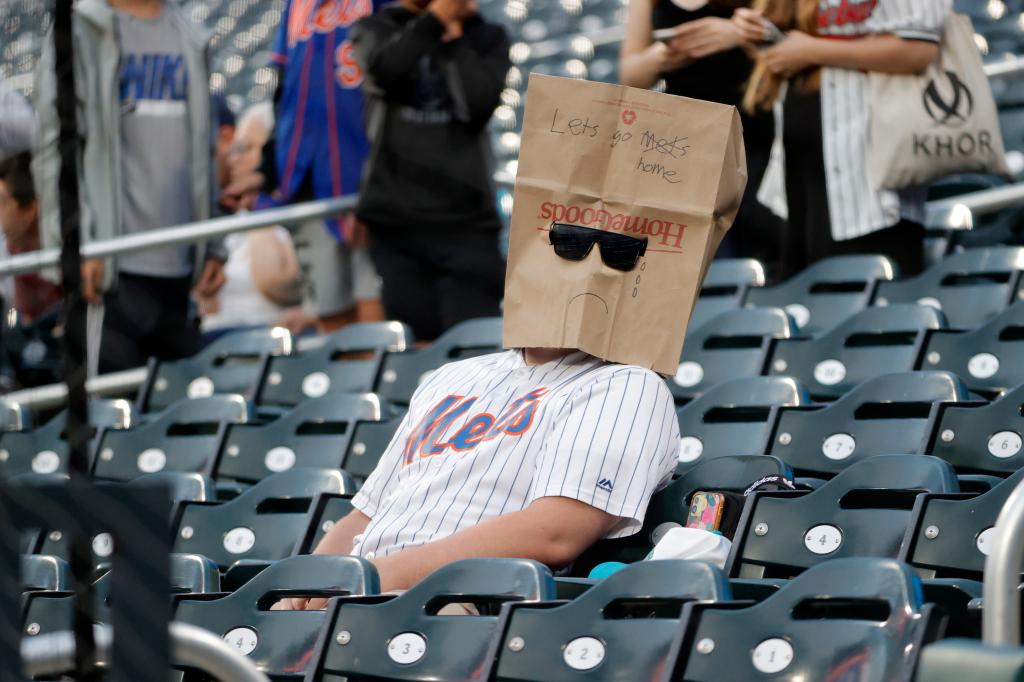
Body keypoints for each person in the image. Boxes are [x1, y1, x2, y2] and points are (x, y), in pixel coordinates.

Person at [32, 0, 226, 373]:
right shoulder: (78, 30)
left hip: (180, 272)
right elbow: (55, 149)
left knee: (176, 418)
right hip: (110, 271)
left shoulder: (189, 34)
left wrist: (213, 242)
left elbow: (203, 149)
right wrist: (75, 240)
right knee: (109, 417)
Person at [738, 0, 950, 278]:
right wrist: (758, 33)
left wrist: (812, 51)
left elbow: (919, 50)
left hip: (870, 173)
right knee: (808, 304)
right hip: (798, 170)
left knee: (873, 303)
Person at [350, 0, 510, 342]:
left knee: (473, 347)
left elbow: (476, 105)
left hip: (468, 225)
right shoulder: (376, 28)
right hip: (398, 224)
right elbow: (387, 72)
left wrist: (455, 40)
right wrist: (435, 20)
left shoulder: (487, 36)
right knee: (415, 348)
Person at [223, 0, 385, 334]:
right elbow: (285, 94)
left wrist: (379, 187)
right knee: (332, 314)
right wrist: (267, 170)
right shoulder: (297, 5)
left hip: (370, 177)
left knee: (376, 317)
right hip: (311, 181)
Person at [619, 0, 781, 268]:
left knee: (764, 249)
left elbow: (786, 47)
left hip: (756, 136)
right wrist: (660, 57)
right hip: (688, 147)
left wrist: (735, 34)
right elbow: (631, 75)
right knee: (700, 259)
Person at [198, 103, 304, 339]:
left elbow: (275, 282)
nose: (235, 159)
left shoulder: (294, 214)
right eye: (234, 149)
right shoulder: (226, 218)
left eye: (245, 149)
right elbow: (207, 305)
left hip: (271, 342)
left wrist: (260, 212)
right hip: (218, 341)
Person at [0, 152, 61, 323]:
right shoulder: (8, 249)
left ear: (32, 209)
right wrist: (13, 329)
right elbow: (12, 308)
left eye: (3, 203)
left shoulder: (66, 252)